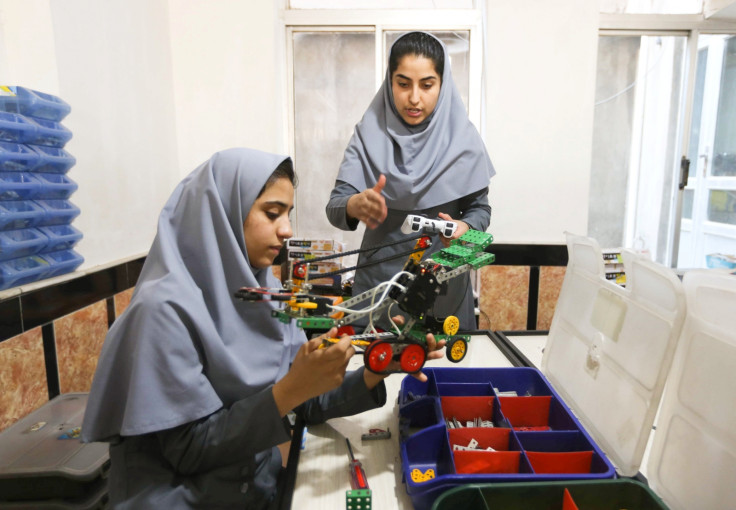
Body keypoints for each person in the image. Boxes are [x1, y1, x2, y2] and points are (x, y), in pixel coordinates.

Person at [81, 148, 444, 509]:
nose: (286, 230)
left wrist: (375, 371)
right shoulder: (161, 311)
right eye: (272, 214)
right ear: (222, 214)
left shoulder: (262, 294)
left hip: (253, 489)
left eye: (287, 214)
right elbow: (189, 450)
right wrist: (290, 390)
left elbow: (304, 398)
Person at [326, 31, 496, 333]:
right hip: (377, 291)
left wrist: (465, 229)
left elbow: (480, 211)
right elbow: (336, 207)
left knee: (443, 376)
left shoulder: (464, 141)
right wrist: (355, 204)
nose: (414, 97)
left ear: (443, 85)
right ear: (389, 82)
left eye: (427, 85)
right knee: (374, 374)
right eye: (403, 84)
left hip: (442, 287)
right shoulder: (368, 135)